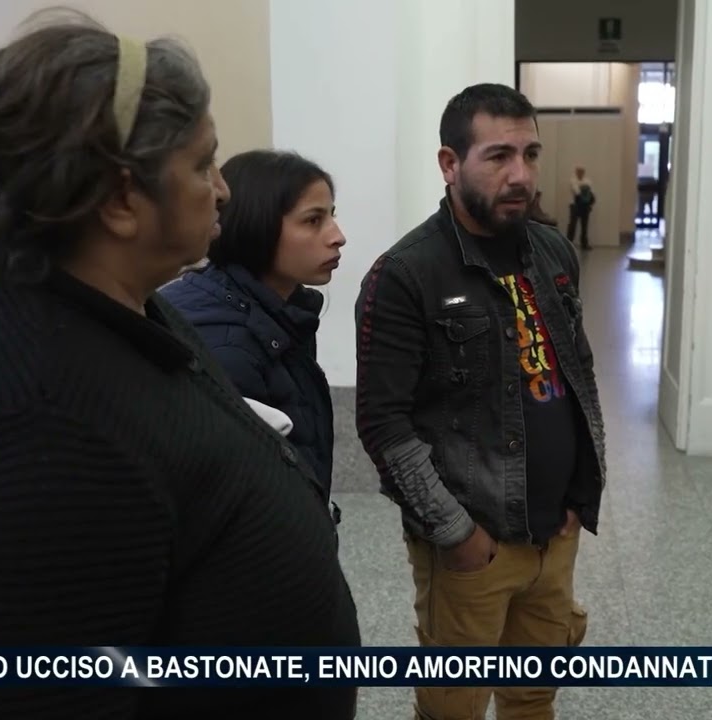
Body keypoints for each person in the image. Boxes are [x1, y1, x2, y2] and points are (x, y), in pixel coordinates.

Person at [0, 13, 359, 719]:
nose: (222, 189)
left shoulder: (68, 287)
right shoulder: (37, 433)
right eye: (201, 164)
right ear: (121, 198)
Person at [355, 83, 605, 720]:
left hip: (555, 534)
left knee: (532, 697)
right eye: (498, 156)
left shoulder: (552, 252)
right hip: (474, 546)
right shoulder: (406, 274)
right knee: (454, 708)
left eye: (530, 154)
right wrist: (458, 536)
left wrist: (580, 496)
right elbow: (383, 425)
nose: (520, 174)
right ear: (449, 163)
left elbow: (578, 371)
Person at [162, 150, 345, 526]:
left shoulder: (279, 310)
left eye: (332, 215)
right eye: (313, 220)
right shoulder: (225, 344)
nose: (337, 237)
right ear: (256, 225)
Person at [567, 165, 594, 249]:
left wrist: (583, 189)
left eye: (582, 171)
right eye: (578, 171)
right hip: (575, 205)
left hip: (585, 206)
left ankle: (584, 244)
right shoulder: (573, 180)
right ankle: (568, 243)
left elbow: (590, 191)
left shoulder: (587, 180)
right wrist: (584, 189)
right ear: (576, 172)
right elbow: (576, 191)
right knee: (572, 225)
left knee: (584, 225)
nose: (580, 173)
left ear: (584, 172)